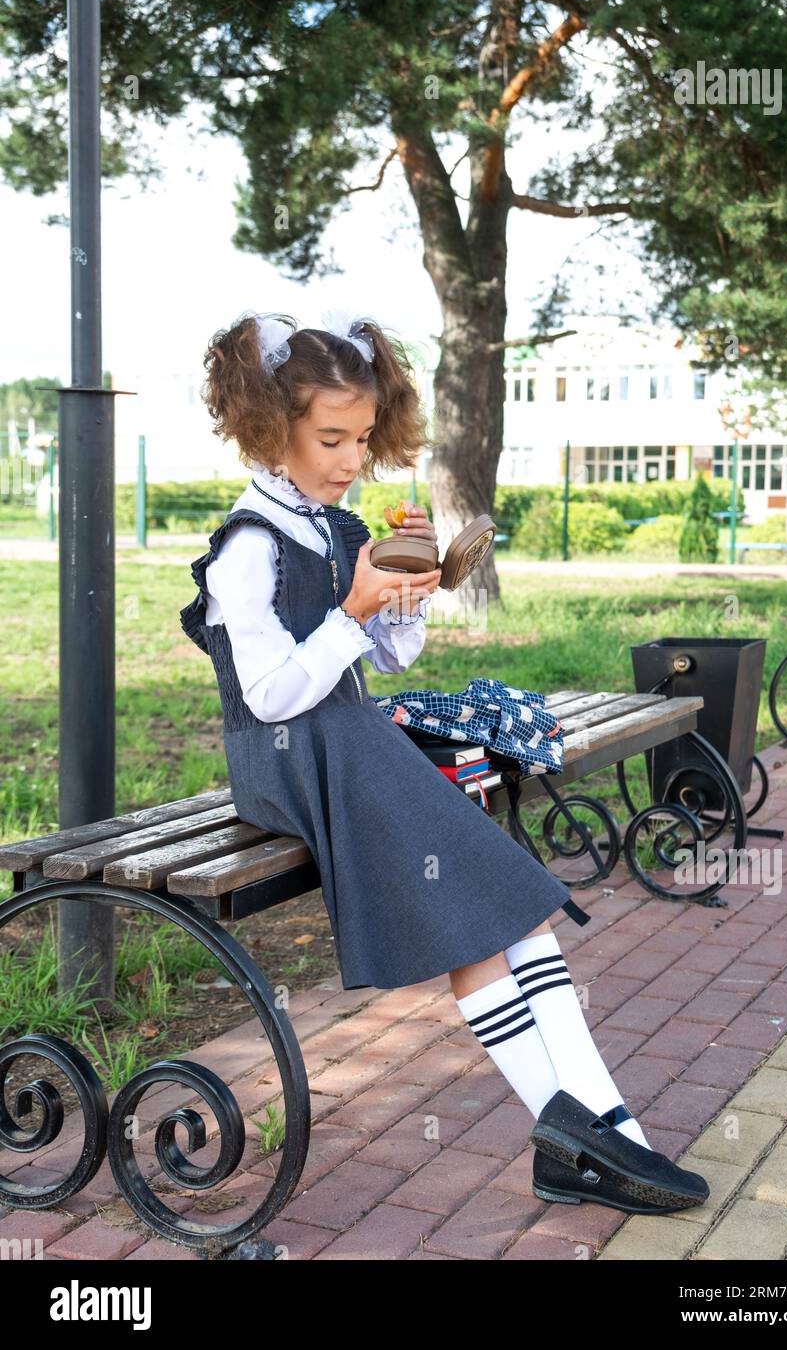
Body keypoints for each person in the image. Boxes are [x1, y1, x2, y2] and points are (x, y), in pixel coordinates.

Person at [178, 308, 709, 1215]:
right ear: (272, 428)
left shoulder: (336, 526)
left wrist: (406, 593)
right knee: (488, 915)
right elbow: (269, 697)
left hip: (352, 745)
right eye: (331, 439)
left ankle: (605, 1137)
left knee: (513, 912)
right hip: (290, 761)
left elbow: (391, 659)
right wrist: (353, 609)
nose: (351, 460)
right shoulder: (249, 546)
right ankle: (593, 1145)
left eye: (362, 438)